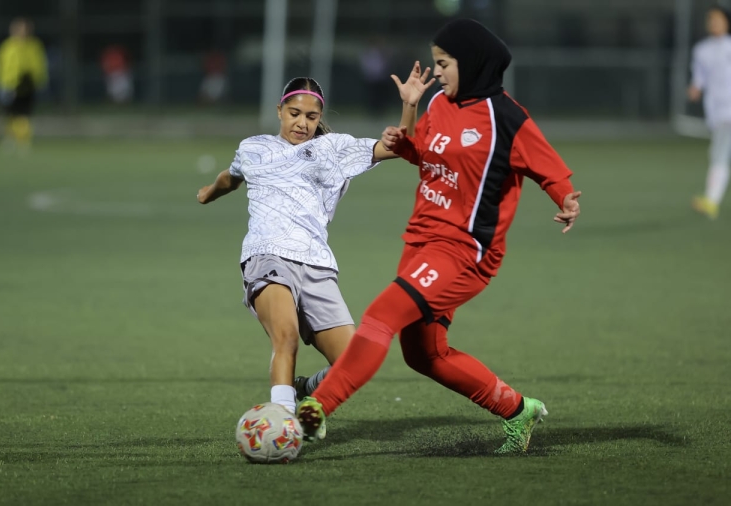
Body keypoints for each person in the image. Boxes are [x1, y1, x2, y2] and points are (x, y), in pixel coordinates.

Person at [296, 19, 582, 454]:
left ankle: (317, 408)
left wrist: (566, 197)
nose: (438, 72)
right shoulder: (441, 104)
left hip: (465, 250)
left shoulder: (506, 118)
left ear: (472, 62)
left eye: (445, 63)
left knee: (381, 315)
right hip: (422, 241)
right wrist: (407, 118)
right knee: (423, 354)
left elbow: (549, 168)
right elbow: (422, 153)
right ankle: (518, 410)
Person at [197, 74, 417, 416]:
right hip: (267, 255)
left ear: (320, 117)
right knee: (285, 337)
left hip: (316, 264)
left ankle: (306, 390)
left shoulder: (334, 148)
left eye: (311, 117)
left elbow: (396, 147)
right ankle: (282, 422)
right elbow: (231, 176)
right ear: (279, 111)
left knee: (355, 362)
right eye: (294, 114)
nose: (302, 123)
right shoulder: (254, 147)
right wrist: (209, 193)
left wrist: (410, 105)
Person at [689, 6, 731, 220]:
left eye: (718, 19)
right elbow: (699, 78)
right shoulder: (701, 50)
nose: (714, 23)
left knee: (719, 153)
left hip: (728, 110)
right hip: (714, 111)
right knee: (720, 152)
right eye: (711, 19)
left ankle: (711, 201)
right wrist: (695, 88)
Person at [0, 18, 48, 153]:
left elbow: (39, 64)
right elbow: (1, 65)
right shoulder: (7, 46)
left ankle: (23, 140)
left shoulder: (34, 46)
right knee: (10, 113)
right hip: (9, 84)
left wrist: (39, 80)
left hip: (27, 84)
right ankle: (10, 138)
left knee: (25, 113)